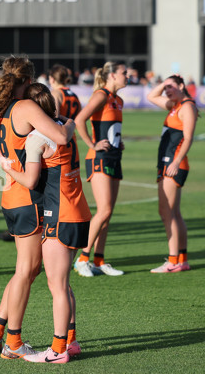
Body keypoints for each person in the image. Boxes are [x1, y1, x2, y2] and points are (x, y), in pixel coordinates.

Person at [0, 55, 75, 359]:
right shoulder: (25, 107)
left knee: (25, 271)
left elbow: (3, 160)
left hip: (11, 196)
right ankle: (13, 342)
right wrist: (71, 122)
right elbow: (60, 137)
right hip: (29, 197)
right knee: (26, 272)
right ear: (28, 80)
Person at [0, 83, 90, 364]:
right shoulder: (64, 126)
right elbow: (71, 126)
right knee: (64, 283)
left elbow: (30, 180)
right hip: (79, 210)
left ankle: (58, 350)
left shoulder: (38, 138)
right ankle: (70, 342)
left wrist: (7, 166)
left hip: (59, 214)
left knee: (57, 286)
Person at [73, 62, 127, 277]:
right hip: (99, 158)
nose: (128, 76)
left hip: (114, 157)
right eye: (124, 73)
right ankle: (83, 258)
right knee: (103, 210)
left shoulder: (119, 100)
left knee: (108, 213)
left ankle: (99, 260)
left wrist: (117, 142)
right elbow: (79, 120)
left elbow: (110, 128)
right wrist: (92, 144)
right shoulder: (101, 95)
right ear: (112, 75)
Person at [147, 75, 198, 273]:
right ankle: (181, 260)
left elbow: (188, 138)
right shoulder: (174, 105)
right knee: (173, 213)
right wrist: (165, 83)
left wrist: (176, 162)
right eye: (165, 87)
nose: (167, 90)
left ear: (181, 86)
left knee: (167, 212)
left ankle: (173, 260)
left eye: (171, 87)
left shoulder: (186, 106)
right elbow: (152, 96)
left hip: (173, 164)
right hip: (168, 163)